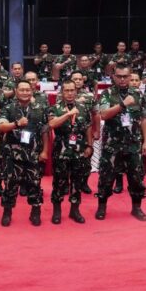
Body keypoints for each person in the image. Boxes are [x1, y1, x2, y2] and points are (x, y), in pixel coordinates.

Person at [95, 64, 146, 221]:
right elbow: (104, 115)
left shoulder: (139, 95)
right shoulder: (107, 93)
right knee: (106, 177)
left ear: (130, 76)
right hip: (112, 144)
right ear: (113, 77)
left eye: (125, 76)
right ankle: (102, 206)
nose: (122, 79)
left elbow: (144, 119)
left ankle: (136, 207)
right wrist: (122, 104)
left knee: (136, 177)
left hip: (133, 143)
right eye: (119, 76)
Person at [0, 80, 50, 227]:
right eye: (22, 90)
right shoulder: (8, 108)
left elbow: (45, 131)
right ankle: (7, 211)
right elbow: (1, 127)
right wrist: (16, 124)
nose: (25, 92)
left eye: (28, 90)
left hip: (33, 153)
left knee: (35, 183)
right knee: (10, 184)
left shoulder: (40, 109)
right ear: (16, 91)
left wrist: (45, 151)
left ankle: (35, 211)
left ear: (32, 91)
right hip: (12, 155)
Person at [47, 79, 93, 224]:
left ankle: (75, 210)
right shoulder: (54, 108)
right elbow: (52, 124)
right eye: (66, 90)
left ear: (76, 91)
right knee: (59, 182)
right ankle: (57, 210)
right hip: (61, 151)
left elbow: (88, 127)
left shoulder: (83, 108)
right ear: (62, 92)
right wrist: (68, 114)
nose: (69, 93)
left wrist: (89, 145)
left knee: (77, 181)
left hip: (79, 150)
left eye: (72, 90)